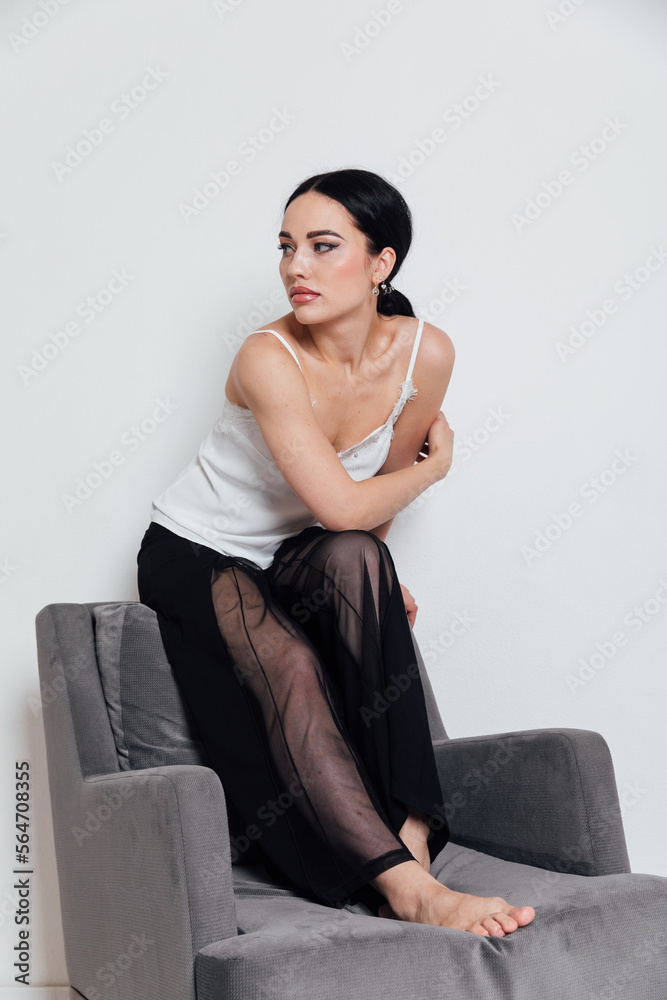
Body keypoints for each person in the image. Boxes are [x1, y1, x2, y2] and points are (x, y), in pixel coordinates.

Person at [136, 167, 535, 938]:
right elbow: (344, 503)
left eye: (323, 247)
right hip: (196, 549)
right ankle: (405, 888)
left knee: (362, 564)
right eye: (286, 247)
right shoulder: (266, 357)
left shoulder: (427, 354)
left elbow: (358, 523)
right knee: (287, 663)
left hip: (299, 549)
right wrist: (437, 470)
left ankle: (412, 834)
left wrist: (375, 583)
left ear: (381, 262)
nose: (295, 267)